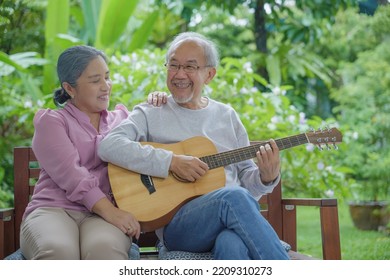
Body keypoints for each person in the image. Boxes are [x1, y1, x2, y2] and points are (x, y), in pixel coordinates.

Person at [98, 32, 290, 260]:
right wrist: (171, 162)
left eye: (190, 67)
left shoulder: (226, 116)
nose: (179, 74)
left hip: (227, 221)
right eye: (174, 65)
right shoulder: (151, 112)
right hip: (179, 228)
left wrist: (265, 179)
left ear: (209, 74)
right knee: (234, 198)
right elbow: (109, 145)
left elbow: (247, 184)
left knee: (231, 243)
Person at [20, 45, 166, 260]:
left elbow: (159, 148)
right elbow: (72, 175)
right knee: (58, 251)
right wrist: (112, 212)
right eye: (95, 80)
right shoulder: (52, 122)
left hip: (102, 219)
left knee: (105, 252)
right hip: (54, 209)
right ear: (70, 88)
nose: (106, 86)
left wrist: (160, 102)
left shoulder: (122, 119)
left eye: (107, 77)